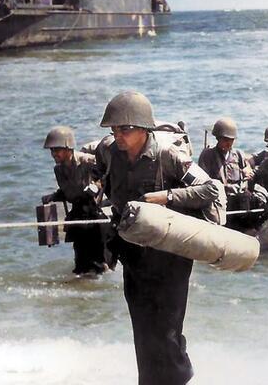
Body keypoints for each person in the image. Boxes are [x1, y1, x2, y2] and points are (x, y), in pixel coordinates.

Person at [96, 91, 225, 385]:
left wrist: (166, 196)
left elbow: (210, 189)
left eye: (125, 129)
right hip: (133, 254)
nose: (118, 135)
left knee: (167, 331)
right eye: (114, 129)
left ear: (144, 129)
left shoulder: (168, 156)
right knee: (142, 330)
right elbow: (98, 171)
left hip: (170, 256)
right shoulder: (108, 152)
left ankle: (181, 379)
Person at [42, 125, 106, 275]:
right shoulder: (58, 169)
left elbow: (107, 174)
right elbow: (68, 191)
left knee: (98, 260)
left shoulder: (87, 161)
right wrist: (54, 196)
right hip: (77, 213)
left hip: (94, 212)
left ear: (68, 148)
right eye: (52, 150)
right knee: (80, 262)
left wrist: (96, 185)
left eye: (57, 150)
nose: (53, 154)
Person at [198, 117, 263, 230]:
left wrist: (247, 172)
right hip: (218, 197)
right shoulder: (208, 155)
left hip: (237, 196)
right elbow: (202, 180)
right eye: (225, 140)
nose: (229, 143)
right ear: (218, 138)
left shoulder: (238, 154)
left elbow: (246, 168)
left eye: (231, 140)